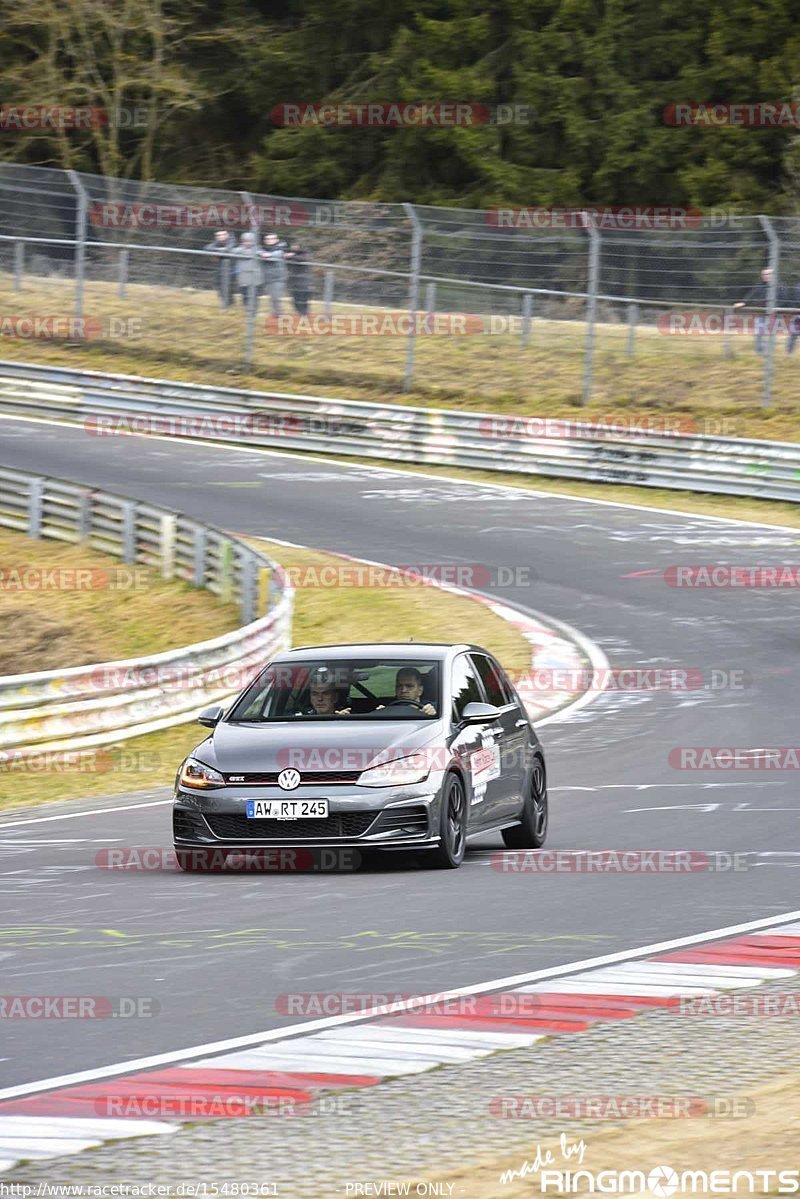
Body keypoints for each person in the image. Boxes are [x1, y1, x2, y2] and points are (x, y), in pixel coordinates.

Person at [733, 267, 774, 355]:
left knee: (770, 335)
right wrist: (743, 302)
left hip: (774, 315)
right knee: (759, 334)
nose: (765, 276)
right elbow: (751, 295)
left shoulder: (778, 286)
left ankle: (769, 354)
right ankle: (760, 353)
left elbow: (784, 298)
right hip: (761, 314)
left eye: (768, 274)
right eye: (764, 274)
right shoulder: (759, 286)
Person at [203, 229, 237, 310]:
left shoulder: (232, 241)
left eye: (223, 234)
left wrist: (218, 250)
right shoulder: (217, 243)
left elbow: (228, 249)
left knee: (228, 287)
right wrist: (219, 250)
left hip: (232, 268)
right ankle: (226, 304)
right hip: (220, 268)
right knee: (220, 287)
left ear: (227, 235)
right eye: (218, 235)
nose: (220, 237)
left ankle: (228, 305)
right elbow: (207, 247)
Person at [233, 232, 262, 312]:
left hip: (255, 278)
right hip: (243, 278)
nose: (248, 243)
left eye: (250, 241)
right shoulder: (238, 249)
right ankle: (248, 311)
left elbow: (261, 253)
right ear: (242, 241)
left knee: (254, 296)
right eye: (246, 241)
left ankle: (253, 313)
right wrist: (249, 253)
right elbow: (234, 251)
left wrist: (254, 253)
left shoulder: (258, 249)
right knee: (245, 296)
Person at [259, 232, 287, 317]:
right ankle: (276, 313)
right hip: (267, 277)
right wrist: (262, 254)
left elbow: (275, 255)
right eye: (268, 239)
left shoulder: (281, 249)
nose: (270, 240)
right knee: (272, 297)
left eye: (272, 239)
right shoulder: (262, 248)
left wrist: (268, 255)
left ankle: (280, 314)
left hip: (278, 277)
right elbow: (259, 252)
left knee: (276, 297)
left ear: (276, 240)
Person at [284, 241, 313, 316]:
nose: (294, 247)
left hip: (304, 281)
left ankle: (304, 313)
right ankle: (300, 313)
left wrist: (292, 255)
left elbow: (304, 258)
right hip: (294, 281)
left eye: (296, 246)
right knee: (295, 299)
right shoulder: (289, 256)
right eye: (293, 246)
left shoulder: (304, 253)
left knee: (303, 299)